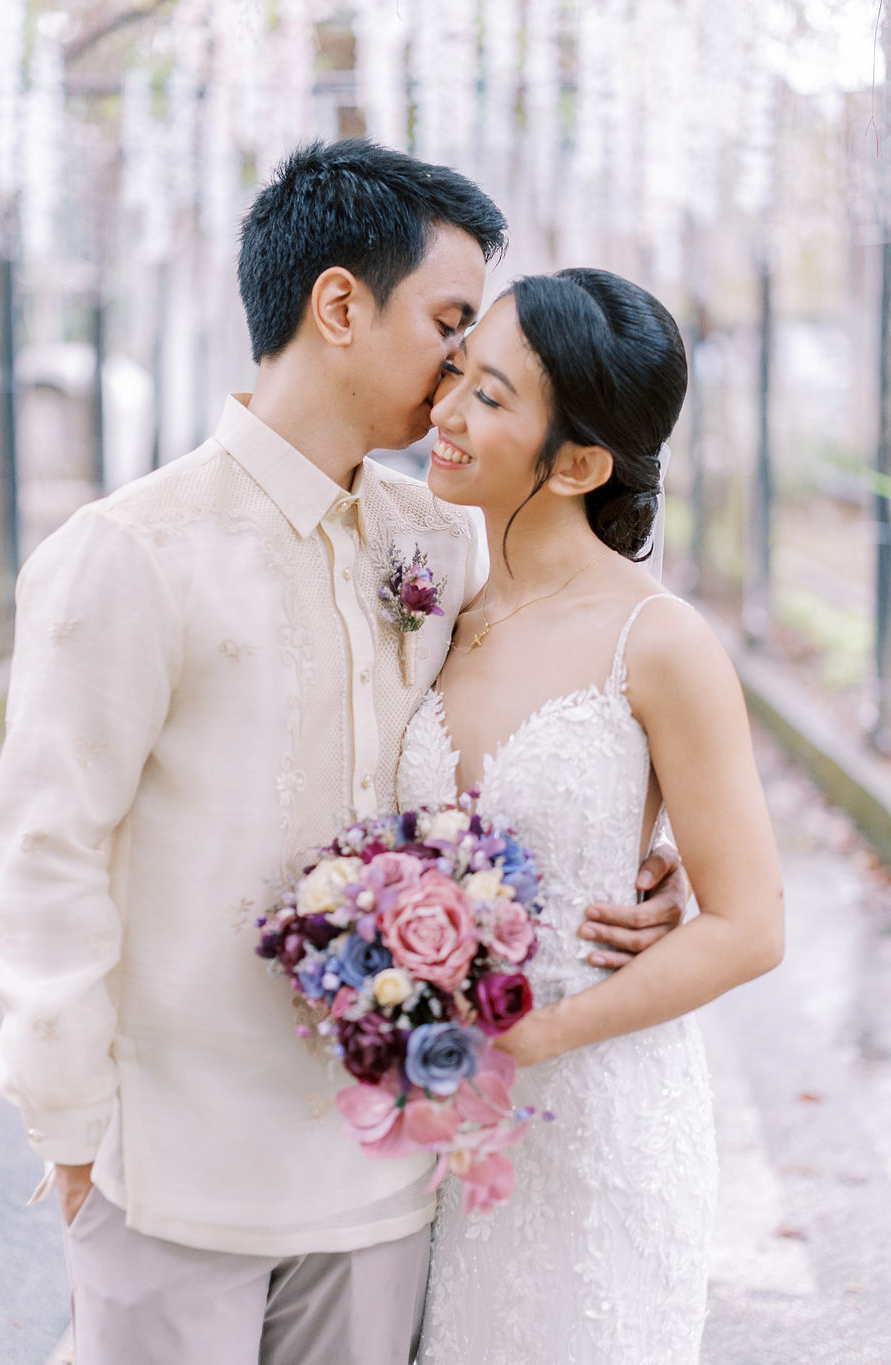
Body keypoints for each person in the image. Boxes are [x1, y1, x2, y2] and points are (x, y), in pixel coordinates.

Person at [0, 144, 685, 1365]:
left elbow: (553, 685)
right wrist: (74, 1133)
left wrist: (637, 848)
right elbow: (45, 856)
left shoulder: (439, 540)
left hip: (384, 1173)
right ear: (341, 305)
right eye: (450, 324)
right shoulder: (133, 552)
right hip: (180, 1173)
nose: (463, 369)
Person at [396, 269, 785, 1364]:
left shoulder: (658, 643)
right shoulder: (430, 599)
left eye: (488, 397)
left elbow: (750, 925)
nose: (443, 410)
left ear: (576, 464)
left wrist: (533, 1037)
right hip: (425, 1128)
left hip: (597, 1120)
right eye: (459, 372)